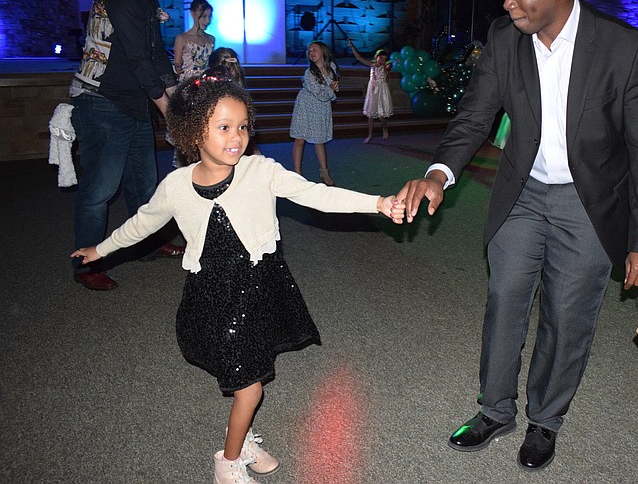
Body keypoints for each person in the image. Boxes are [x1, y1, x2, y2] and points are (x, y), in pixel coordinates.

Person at [397, 0, 638, 472]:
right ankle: (495, 410)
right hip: (520, 196)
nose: (507, 2)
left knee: (567, 319)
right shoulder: (505, 39)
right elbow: (474, 115)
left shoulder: (623, 48)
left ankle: (546, 421)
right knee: (505, 303)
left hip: (587, 205)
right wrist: (437, 172)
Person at [70, 72, 404, 484]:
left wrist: (378, 203)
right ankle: (227, 461)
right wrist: (99, 250)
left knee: (253, 370)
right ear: (193, 132)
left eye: (243, 125)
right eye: (224, 127)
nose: (237, 136)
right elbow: (141, 225)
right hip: (213, 295)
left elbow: (318, 195)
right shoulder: (175, 186)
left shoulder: (260, 171)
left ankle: (241, 441)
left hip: (261, 286)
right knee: (250, 387)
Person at [68, 0, 188, 291]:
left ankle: (145, 243)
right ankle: (85, 263)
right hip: (102, 102)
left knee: (143, 184)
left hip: (133, 104)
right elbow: (137, 58)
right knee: (99, 191)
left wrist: (175, 98)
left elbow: (155, 55)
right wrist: (167, 108)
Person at [290, 41, 339, 186]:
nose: (311, 53)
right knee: (300, 139)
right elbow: (320, 93)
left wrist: (334, 89)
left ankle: (324, 172)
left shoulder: (332, 68)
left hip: (321, 107)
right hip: (306, 106)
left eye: (314, 50)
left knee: (319, 139)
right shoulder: (309, 73)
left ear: (323, 51)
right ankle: (297, 173)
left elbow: (330, 94)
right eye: (309, 50)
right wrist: (331, 89)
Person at [348, 41, 394, 142]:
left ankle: (385, 129)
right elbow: (359, 58)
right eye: (381, 57)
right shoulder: (372, 65)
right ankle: (370, 135)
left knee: (381, 116)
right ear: (376, 56)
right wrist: (352, 47)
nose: (382, 60)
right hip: (372, 91)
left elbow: (389, 65)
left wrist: (391, 62)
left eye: (384, 59)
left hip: (382, 91)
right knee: (370, 115)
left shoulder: (385, 67)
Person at [173, 0, 215, 82]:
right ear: (192, 13)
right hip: (187, 84)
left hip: (206, 83)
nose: (207, 21)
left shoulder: (211, 39)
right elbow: (177, 65)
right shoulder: (182, 39)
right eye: (204, 16)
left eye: (209, 17)